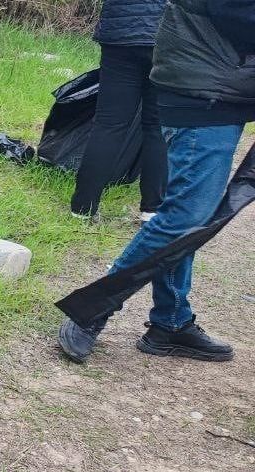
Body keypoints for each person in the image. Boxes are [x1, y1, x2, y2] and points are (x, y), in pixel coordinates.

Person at [58, 0, 254, 363]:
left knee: (189, 213)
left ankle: (171, 322)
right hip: (203, 89)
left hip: (218, 82)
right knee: (186, 216)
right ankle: (92, 306)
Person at [70, 0, 168, 221]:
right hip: (166, 37)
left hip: (119, 35)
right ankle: (152, 211)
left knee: (108, 124)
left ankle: (82, 207)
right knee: (157, 127)